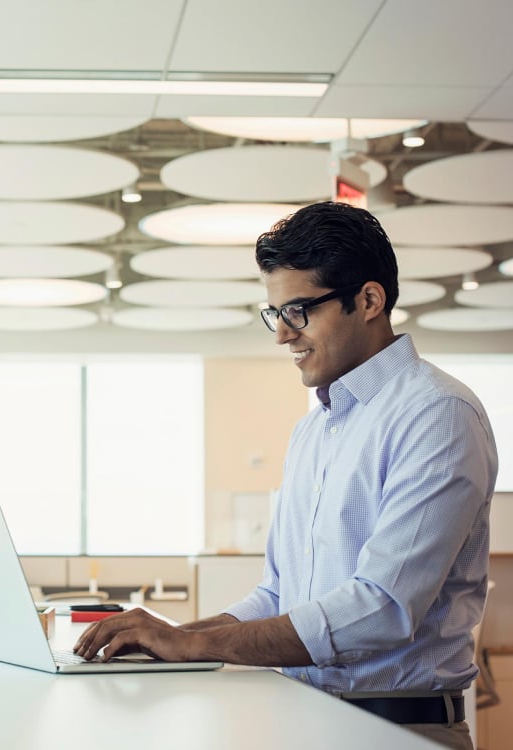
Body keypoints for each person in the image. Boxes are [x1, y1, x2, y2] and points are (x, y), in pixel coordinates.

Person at [74, 201, 498, 750]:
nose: (282, 335)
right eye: (275, 314)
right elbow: (278, 593)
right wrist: (171, 635)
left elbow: (380, 610)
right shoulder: (314, 429)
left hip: (397, 729)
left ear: (369, 300)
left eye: (298, 311)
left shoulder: (436, 414)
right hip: (304, 719)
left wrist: (193, 647)